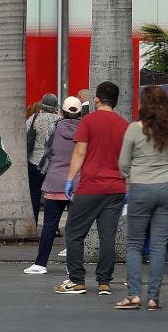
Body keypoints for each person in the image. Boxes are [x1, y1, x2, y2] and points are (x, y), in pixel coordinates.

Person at [54, 81, 129, 295]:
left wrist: (70, 180)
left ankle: (77, 280)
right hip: (116, 188)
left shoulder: (88, 121)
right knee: (108, 236)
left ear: (96, 99)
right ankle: (104, 282)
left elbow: (79, 152)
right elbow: (127, 158)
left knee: (75, 233)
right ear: (115, 100)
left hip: (91, 186)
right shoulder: (123, 124)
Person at [115, 86, 168, 310]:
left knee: (134, 243)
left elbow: (123, 163)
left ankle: (134, 295)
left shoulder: (135, 129)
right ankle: (154, 297)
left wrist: (131, 175)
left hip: (142, 187)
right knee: (158, 245)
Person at [24, 96, 81, 275]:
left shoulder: (55, 127)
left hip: (54, 180)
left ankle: (40, 263)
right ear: (80, 112)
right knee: (75, 227)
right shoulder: (85, 128)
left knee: (49, 224)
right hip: (77, 184)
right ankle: (71, 265)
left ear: (62, 111)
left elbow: (48, 150)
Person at [27, 93, 62, 223]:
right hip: (53, 163)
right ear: (55, 107)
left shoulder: (33, 118)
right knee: (52, 196)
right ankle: (52, 225)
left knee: (34, 194)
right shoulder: (59, 120)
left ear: (42, 105)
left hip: (34, 161)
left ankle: (34, 222)